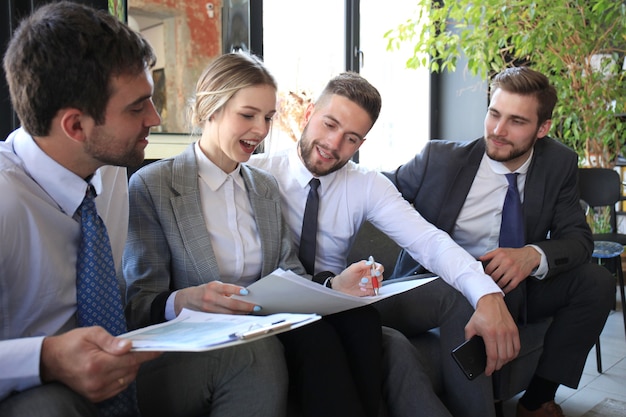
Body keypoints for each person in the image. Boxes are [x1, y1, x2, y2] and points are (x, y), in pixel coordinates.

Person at [122, 52, 385, 417]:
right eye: (248, 115)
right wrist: (185, 299)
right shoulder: (153, 186)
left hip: (265, 322)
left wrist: (331, 287)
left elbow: (288, 272)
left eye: (268, 118)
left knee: (359, 321)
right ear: (210, 109)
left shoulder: (263, 186)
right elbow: (138, 303)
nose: (262, 130)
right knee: (314, 339)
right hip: (203, 338)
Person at [249, 71, 520, 417]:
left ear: (361, 143)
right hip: (279, 308)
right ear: (308, 115)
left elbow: (429, 242)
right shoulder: (256, 173)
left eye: (351, 138)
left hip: (342, 304)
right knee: (391, 346)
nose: (334, 145)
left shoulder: (366, 185)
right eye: (329, 125)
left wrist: (487, 293)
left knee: (423, 315)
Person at [384, 66, 614, 417]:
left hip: (513, 282)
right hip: (443, 283)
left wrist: (532, 256)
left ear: (543, 129)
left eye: (517, 122)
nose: (498, 130)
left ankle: (536, 401)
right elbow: (378, 194)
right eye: (494, 114)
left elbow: (578, 240)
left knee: (596, 282)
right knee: (459, 299)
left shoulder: (558, 163)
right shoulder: (440, 159)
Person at [0, 2, 162, 416]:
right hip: (32, 389)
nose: (156, 118)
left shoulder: (108, 170)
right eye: (137, 107)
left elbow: (111, 301)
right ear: (75, 126)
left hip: (115, 363)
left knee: (243, 357)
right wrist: (47, 358)